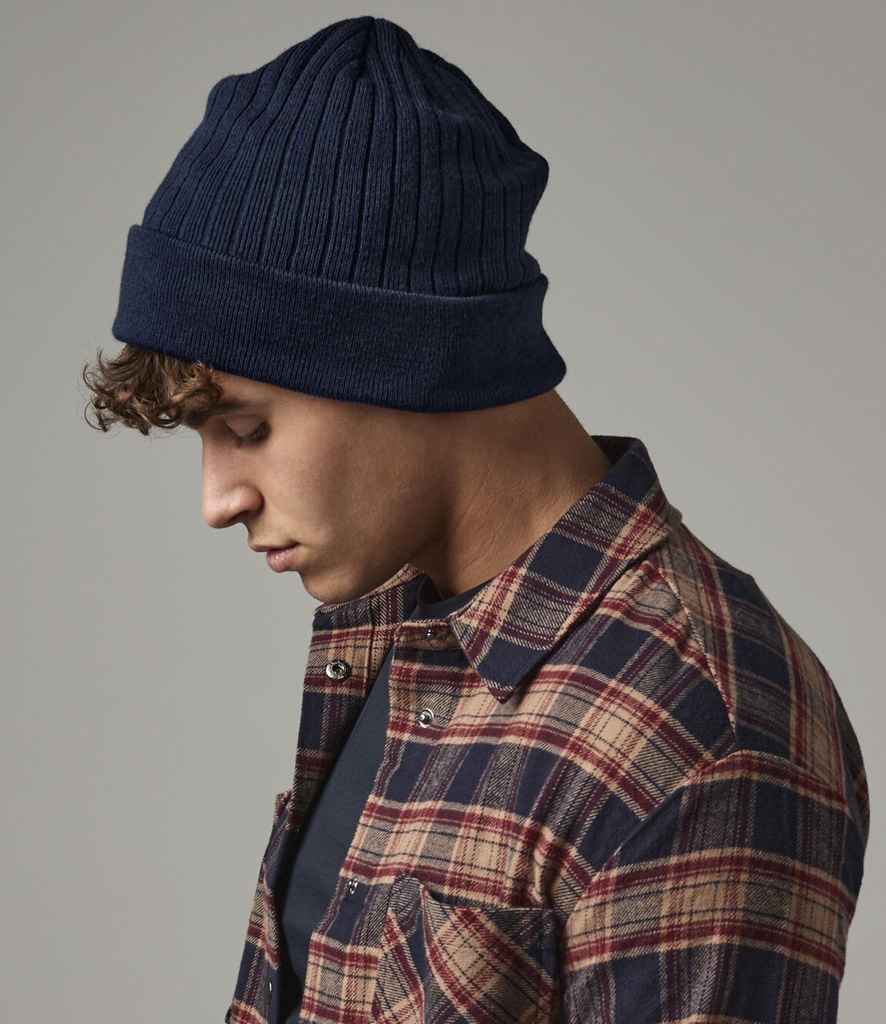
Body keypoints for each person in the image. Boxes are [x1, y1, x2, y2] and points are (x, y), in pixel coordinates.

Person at [81, 14, 869, 1024]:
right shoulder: (400, 634)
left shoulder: (698, 727)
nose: (216, 500)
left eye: (247, 427)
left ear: (412, 363)